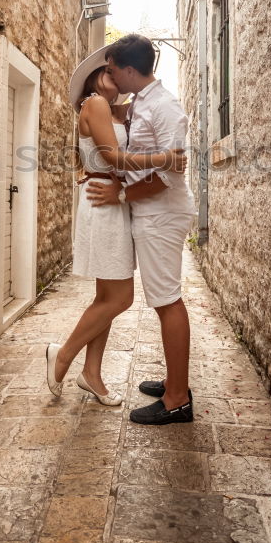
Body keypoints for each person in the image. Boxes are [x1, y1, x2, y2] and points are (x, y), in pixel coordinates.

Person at [45, 45, 187, 405]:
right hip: (103, 201)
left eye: (113, 71)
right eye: (105, 71)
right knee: (120, 297)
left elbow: (148, 107)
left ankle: (91, 374)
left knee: (106, 297)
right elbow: (112, 157)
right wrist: (166, 158)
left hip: (115, 200)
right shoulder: (93, 103)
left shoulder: (120, 109)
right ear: (94, 80)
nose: (111, 75)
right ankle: (62, 355)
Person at [86, 33, 196, 425]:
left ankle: (177, 399)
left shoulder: (165, 107)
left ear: (131, 70)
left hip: (162, 214)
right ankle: (174, 380)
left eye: (114, 68)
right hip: (149, 213)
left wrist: (120, 194)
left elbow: (170, 175)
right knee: (162, 299)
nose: (110, 74)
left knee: (167, 300)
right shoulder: (140, 103)